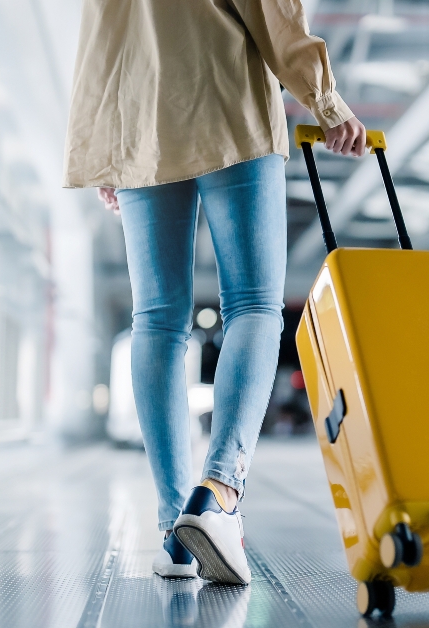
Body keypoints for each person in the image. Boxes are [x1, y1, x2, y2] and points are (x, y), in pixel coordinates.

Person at [63, 0, 366, 585]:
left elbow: (99, 34)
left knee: (156, 319)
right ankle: (220, 493)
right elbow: (274, 14)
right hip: (229, 105)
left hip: (136, 121)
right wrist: (327, 102)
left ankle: (176, 531)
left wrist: (99, 147)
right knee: (254, 304)